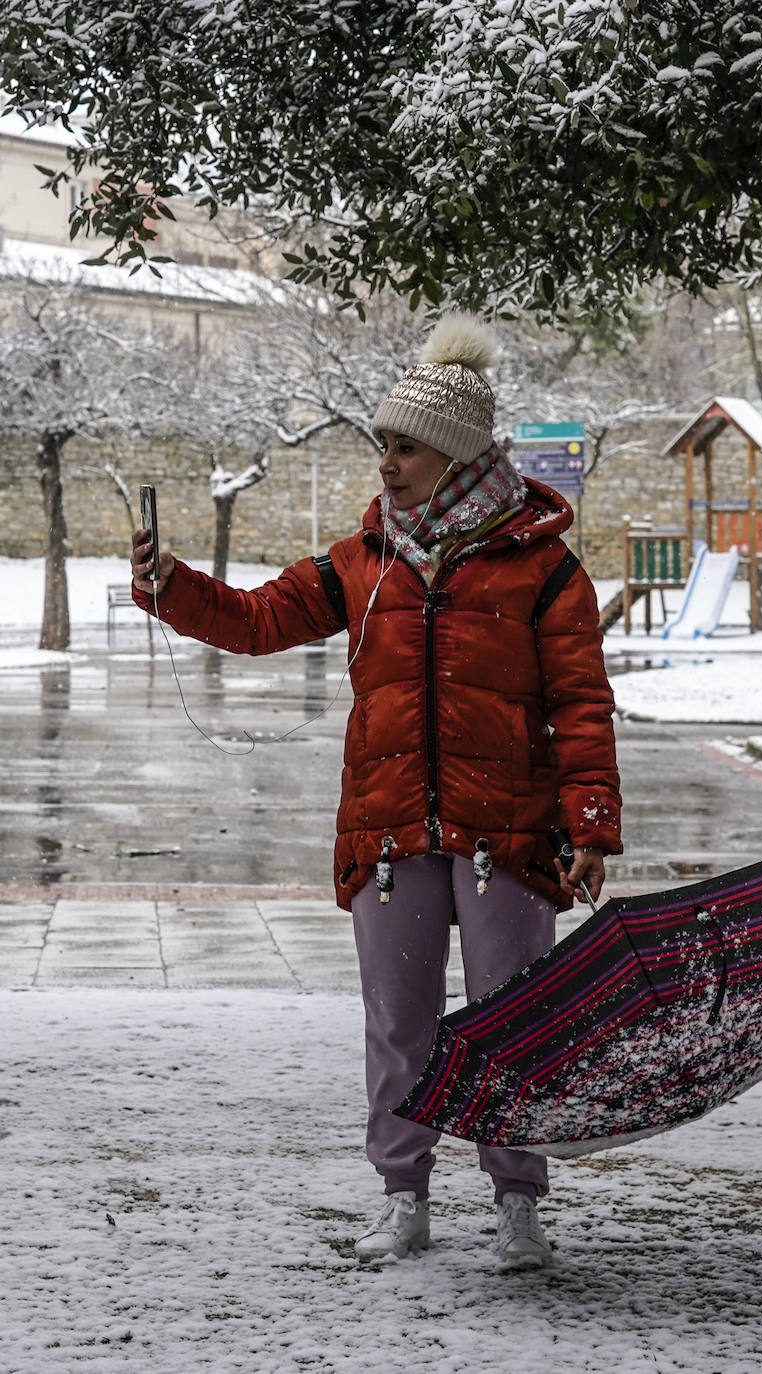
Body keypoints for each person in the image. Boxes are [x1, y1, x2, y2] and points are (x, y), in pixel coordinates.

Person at [129, 314, 623, 1269]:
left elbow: (582, 705)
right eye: (382, 446)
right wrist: (171, 586)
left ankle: (518, 1202)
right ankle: (404, 1198)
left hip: (508, 835)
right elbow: (258, 617)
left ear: (455, 453)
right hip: (390, 833)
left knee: (510, 1025)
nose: (386, 464)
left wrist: (589, 823)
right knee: (398, 1026)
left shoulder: (546, 569)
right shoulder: (362, 561)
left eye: (404, 448)